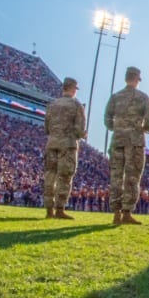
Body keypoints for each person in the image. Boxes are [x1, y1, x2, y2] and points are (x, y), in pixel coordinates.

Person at [104, 66, 149, 225]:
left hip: (117, 140)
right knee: (132, 177)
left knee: (116, 177)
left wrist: (117, 128)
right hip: (134, 141)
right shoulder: (143, 97)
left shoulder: (115, 97)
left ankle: (116, 213)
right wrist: (144, 128)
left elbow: (107, 119)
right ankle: (126, 212)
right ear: (137, 79)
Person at [43, 77, 86, 219]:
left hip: (52, 143)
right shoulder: (76, 105)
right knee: (65, 176)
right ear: (74, 89)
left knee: (50, 175)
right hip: (67, 144)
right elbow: (80, 129)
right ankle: (60, 209)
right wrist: (82, 134)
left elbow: (46, 128)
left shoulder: (52, 105)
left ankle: (49, 209)